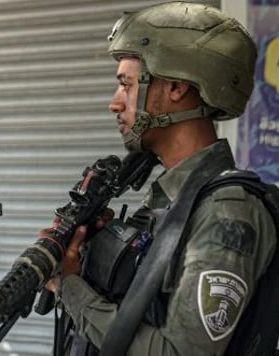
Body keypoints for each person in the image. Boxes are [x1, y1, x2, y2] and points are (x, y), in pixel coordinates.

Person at [43, 2, 278, 356]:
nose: (115, 103)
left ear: (176, 88)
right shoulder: (172, 197)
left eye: (126, 85)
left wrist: (69, 287)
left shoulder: (228, 214)